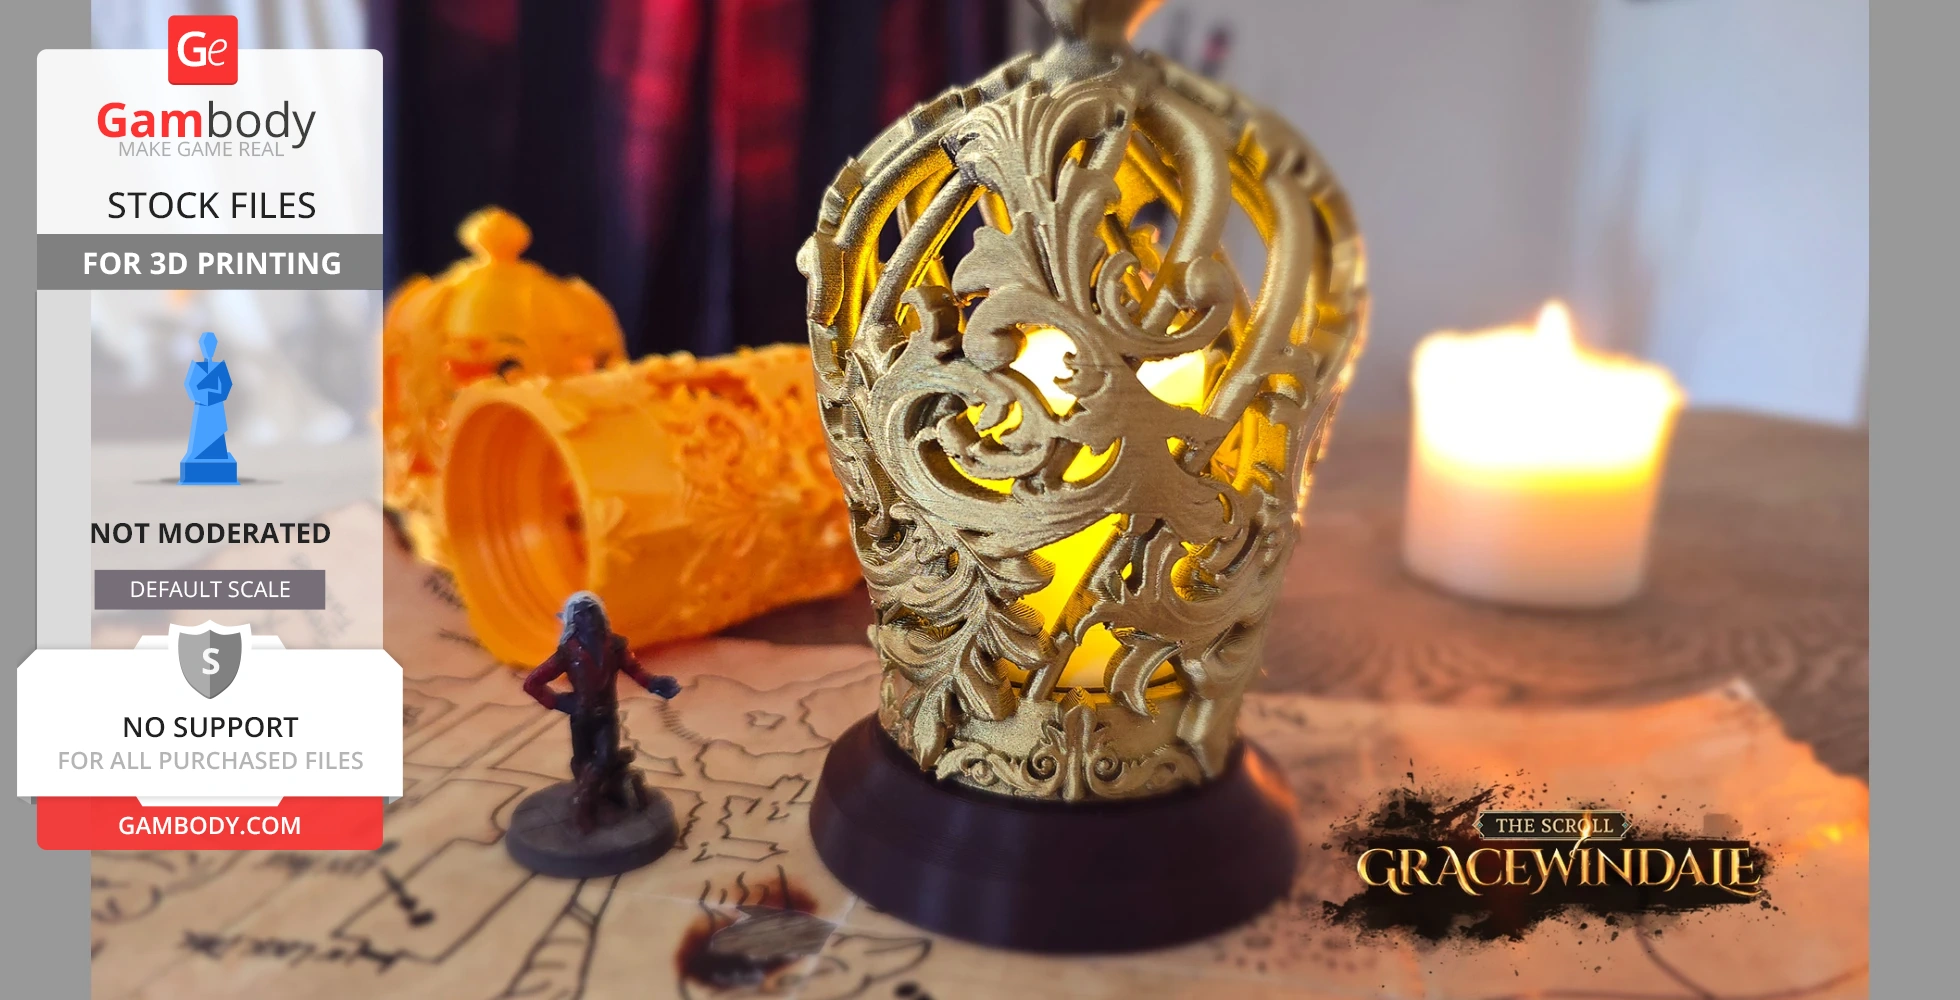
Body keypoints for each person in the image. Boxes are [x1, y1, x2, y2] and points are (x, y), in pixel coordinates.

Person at [521, 592, 681, 831]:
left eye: (593, 611)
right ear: (574, 620)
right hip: (581, 716)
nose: (590, 617)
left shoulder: (615, 647)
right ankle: (593, 801)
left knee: (605, 757)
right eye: (583, 613)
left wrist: (655, 683)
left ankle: (582, 802)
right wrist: (559, 702)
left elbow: (635, 670)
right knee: (582, 761)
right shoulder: (568, 652)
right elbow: (532, 683)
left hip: (606, 715)